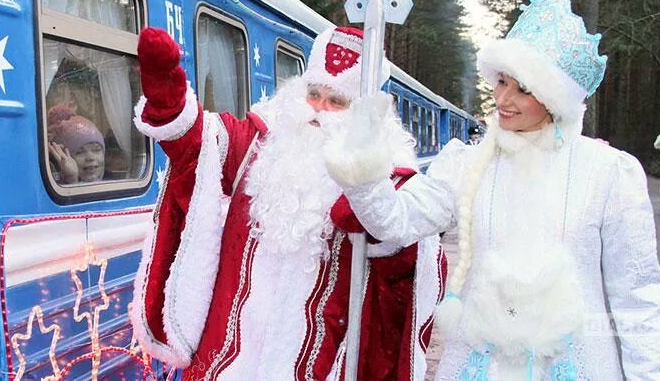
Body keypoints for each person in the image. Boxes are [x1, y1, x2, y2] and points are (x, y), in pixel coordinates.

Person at [326, 0, 660, 380]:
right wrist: (362, 168)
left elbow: (638, 300)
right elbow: (393, 222)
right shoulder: (466, 164)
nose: (503, 98)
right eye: (502, 81)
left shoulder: (608, 173)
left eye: (523, 89)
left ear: (554, 98)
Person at [129, 26, 446, 380]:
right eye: (313, 94)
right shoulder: (258, 143)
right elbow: (196, 149)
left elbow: (408, 273)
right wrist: (170, 103)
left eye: (337, 101)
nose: (320, 110)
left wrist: (371, 210)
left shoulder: (389, 181)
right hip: (225, 361)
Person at [47, 104, 106, 184]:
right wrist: (72, 179)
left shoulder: (114, 182)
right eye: (80, 152)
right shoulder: (54, 187)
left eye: (96, 149)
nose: (91, 157)